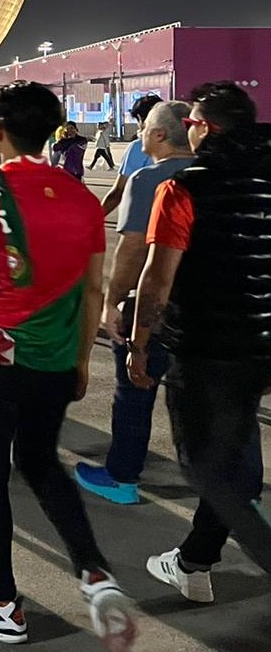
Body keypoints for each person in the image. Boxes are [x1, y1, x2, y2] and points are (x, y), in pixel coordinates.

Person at [0, 81, 136, 648]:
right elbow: (92, 290)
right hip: (55, 360)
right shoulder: (82, 199)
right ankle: (94, 570)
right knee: (40, 462)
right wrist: (81, 361)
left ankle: (0, 603)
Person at [130, 81, 271, 592]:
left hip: (204, 348)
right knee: (228, 460)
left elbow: (158, 278)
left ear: (206, 128)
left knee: (204, 467)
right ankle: (194, 564)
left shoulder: (183, 188)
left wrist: (139, 343)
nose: (186, 128)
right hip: (260, 346)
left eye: (190, 121)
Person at [70, 101, 193, 504]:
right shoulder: (212, 176)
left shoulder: (148, 179)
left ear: (159, 135)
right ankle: (229, 491)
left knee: (135, 392)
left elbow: (133, 251)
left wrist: (112, 302)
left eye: (143, 130)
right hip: (205, 310)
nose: (139, 135)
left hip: (153, 308)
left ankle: (122, 478)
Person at [100, 95, 163, 217]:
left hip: (144, 218)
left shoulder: (139, 147)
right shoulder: (183, 145)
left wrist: (95, 218)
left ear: (140, 118)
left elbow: (118, 191)